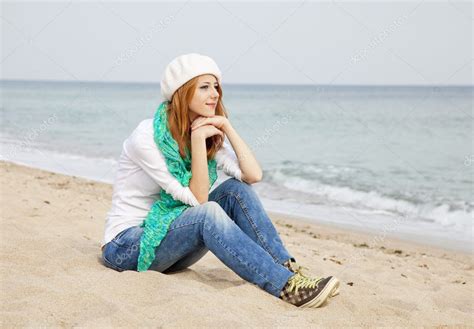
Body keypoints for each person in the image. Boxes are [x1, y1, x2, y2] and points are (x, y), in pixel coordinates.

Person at [101, 53, 340, 308]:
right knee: (208, 213)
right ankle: (284, 286)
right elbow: (198, 200)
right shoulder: (146, 136)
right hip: (127, 247)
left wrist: (227, 127)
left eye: (216, 86)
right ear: (182, 92)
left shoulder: (203, 129)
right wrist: (196, 140)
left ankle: (289, 271)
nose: (214, 94)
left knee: (235, 190)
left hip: (169, 243)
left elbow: (253, 175)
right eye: (204, 87)